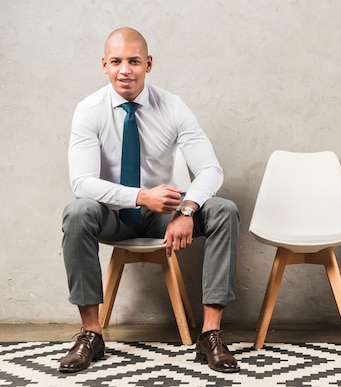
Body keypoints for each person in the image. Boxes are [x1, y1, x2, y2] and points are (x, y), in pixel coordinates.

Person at [59, 27, 239, 374]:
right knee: (77, 211)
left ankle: (211, 334)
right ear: (105, 65)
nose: (125, 70)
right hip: (111, 216)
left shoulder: (172, 106)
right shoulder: (89, 110)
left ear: (148, 64)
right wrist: (141, 196)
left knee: (223, 210)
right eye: (116, 61)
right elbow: (81, 183)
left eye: (134, 61)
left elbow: (211, 170)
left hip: (164, 215)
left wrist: (187, 209)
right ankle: (91, 335)